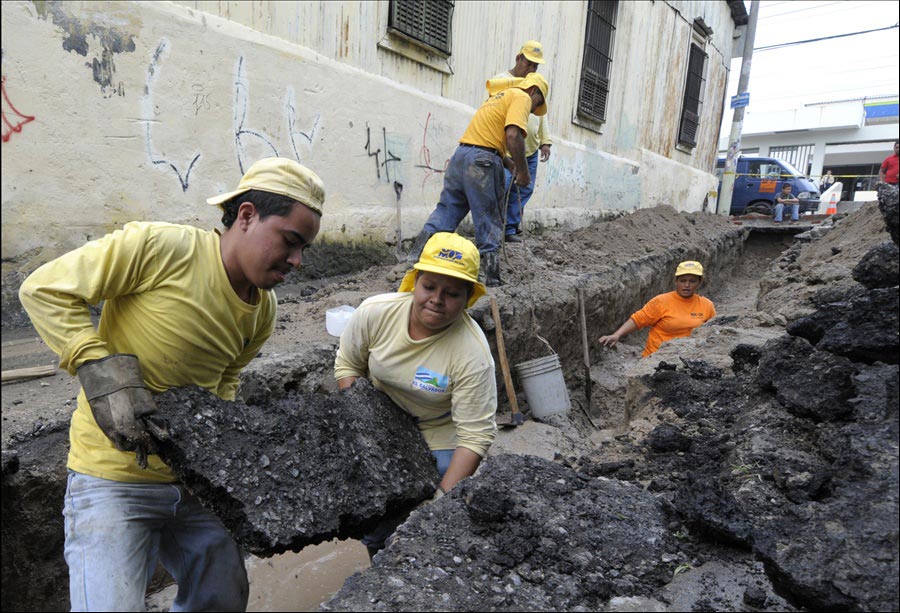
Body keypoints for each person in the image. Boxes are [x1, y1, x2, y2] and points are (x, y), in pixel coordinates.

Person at [18, 157, 325, 612]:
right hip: (111, 479)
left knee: (222, 598)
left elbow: (225, 382)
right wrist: (96, 365)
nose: (297, 260)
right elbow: (43, 289)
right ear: (246, 215)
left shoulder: (263, 310)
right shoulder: (161, 248)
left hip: (192, 484)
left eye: (304, 249)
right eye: (290, 241)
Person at [335, 232, 497, 558]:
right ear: (415, 281)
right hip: (381, 417)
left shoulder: (472, 353)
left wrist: (441, 501)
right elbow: (348, 366)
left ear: (468, 299)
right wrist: (364, 426)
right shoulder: (375, 313)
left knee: (424, 522)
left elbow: (475, 436)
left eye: (452, 293)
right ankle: (378, 562)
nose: (437, 299)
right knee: (377, 517)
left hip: (439, 431)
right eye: (429, 287)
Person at [406, 72, 551, 287]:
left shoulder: (498, 97)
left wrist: (508, 163)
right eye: (536, 105)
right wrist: (523, 170)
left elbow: (486, 137)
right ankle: (491, 276)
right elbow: (513, 135)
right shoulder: (522, 97)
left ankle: (415, 255)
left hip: (461, 157)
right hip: (483, 162)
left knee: (447, 210)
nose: (532, 111)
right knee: (490, 215)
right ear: (534, 92)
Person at [491, 40, 552, 243]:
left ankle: (509, 229)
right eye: (529, 64)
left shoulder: (536, 85)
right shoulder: (501, 81)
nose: (532, 69)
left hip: (531, 148)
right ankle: (495, 229)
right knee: (505, 187)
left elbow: (541, 115)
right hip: (510, 147)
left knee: (525, 188)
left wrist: (545, 141)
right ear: (518, 58)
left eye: (536, 66)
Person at [597, 261, 716, 358]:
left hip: (688, 358)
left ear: (699, 282)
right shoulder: (661, 301)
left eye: (692, 281)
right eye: (683, 281)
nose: (687, 285)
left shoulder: (707, 305)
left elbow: (713, 331)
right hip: (656, 358)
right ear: (676, 281)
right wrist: (617, 335)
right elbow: (638, 319)